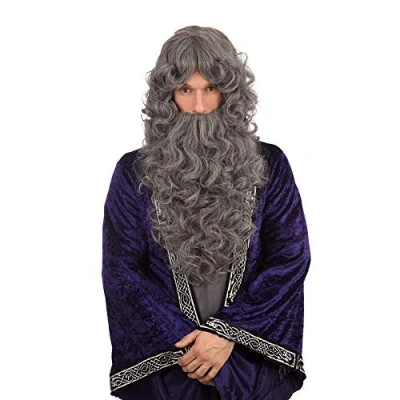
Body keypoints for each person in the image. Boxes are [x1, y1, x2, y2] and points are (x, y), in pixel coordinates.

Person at [102, 25, 311, 400]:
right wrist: (191, 349)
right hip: (167, 365)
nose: (199, 106)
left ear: (230, 92)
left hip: (248, 360)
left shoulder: (270, 165)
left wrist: (227, 336)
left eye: (210, 89)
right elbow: (123, 272)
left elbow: (289, 259)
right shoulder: (133, 172)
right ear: (167, 95)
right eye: (185, 90)